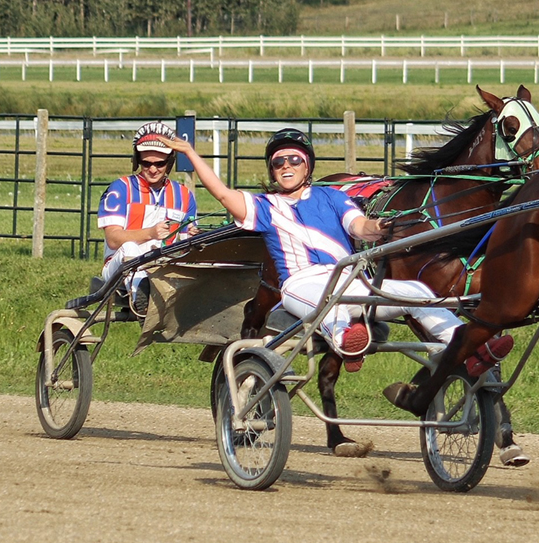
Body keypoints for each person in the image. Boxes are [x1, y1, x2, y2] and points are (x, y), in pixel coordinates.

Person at [160, 128, 512, 374]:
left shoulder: (334, 197)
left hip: (349, 278)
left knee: (416, 292)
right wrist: (191, 153)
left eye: (294, 160)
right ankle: (346, 339)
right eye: (278, 162)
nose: (286, 167)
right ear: (272, 169)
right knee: (331, 305)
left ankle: (470, 347)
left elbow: (360, 227)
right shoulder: (264, 206)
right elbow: (222, 193)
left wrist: (378, 229)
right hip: (301, 285)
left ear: (307, 166)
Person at [98, 122, 199, 315]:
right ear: (137, 161)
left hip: (163, 265)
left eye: (159, 164)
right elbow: (113, 239)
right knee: (130, 248)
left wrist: (193, 236)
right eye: (146, 163)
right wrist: (150, 233)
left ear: (169, 163)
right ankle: (143, 305)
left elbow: (186, 243)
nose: (153, 169)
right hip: (119, 268)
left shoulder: (184, 195)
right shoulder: (121, 188)